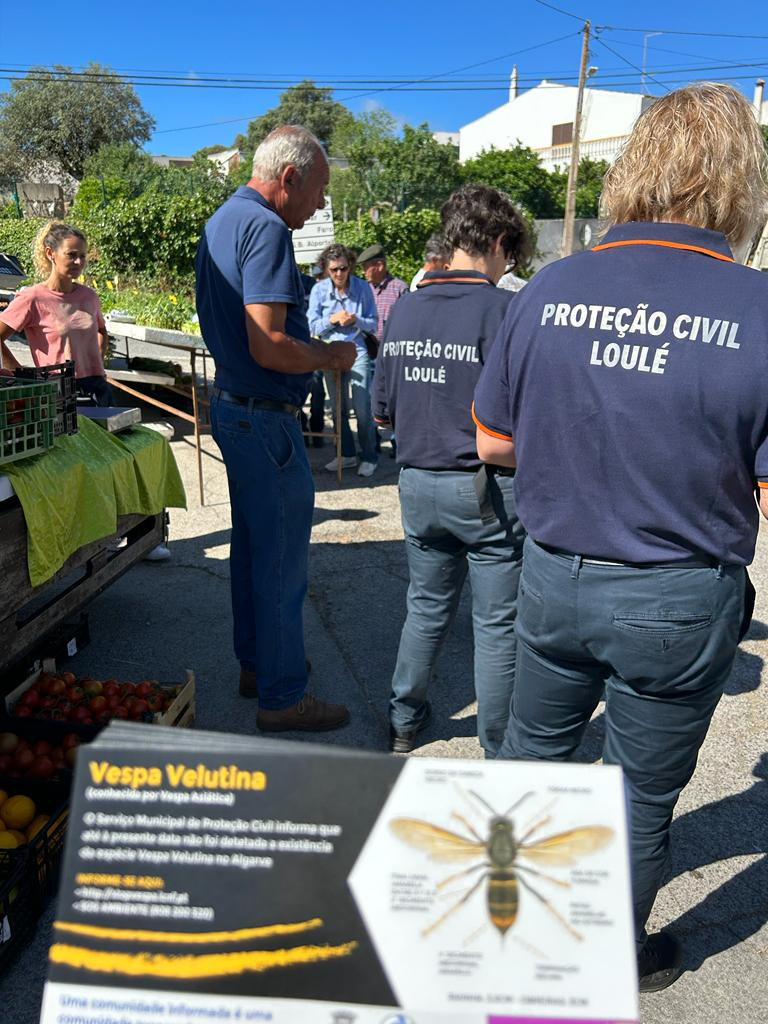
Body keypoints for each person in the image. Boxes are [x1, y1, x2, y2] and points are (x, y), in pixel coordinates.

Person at [472, 83, 768, 992]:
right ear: (739, 181)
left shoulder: (551, 287)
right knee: (636, 794)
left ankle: (500, 936)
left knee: (532, 764)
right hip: (678, 593)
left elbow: (492, 440)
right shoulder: (757, 308)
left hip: (555, 576)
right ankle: (607, 956)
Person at [195, 125, 356, 732]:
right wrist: (328, 356)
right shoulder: (265, 228)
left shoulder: (224, 220)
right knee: (282, 564)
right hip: (265, 416)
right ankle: (284, 696)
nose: (318, 205)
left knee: (253, 549)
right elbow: (268, 345)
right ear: (289, 178)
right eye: (318, 190)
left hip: (236, 407)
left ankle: (257, 667)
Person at [372, 184, 531, 757]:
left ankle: (403, 720)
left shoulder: (406, 307)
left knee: (426, 605)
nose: (507, 265)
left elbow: (382, 410)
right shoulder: (506, 310)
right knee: (496, 625)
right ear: (494, 242)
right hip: (484, 487)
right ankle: (497, 745)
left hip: (417, 481)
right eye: (507, 253)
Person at [0, 221, 111, 406]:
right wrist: (20, 374)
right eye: (71, 255)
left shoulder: (89, 296)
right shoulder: (32, 298)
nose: (79, 262)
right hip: (57, 390)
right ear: (50, 253)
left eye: (82, 256)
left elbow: (101, 331)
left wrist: (96, 361)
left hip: (97, 388)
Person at [308, 244, 379, 477]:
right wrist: (332, 319)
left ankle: (369, 455)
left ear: (350, 266)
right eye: (334, 270)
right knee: (338, 408)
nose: (339, 274)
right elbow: (311, 326)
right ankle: (347, 454)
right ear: (326, 269)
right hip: (330, 351)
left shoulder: (362, 287)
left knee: (362, 407)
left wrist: (355, 319)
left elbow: (373, 323)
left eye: (343, 268)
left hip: (356, 348)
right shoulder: (319, 290)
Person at [358, 243, 408, 340]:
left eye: (365, 267)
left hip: (393, 348)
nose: (363, 272)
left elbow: (408, 322)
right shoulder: (364, 289)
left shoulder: (399, 288)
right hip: (369, 350)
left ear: (380, 266)